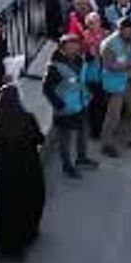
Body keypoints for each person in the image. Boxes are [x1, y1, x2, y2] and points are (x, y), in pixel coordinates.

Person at [0, 84, 46, 260]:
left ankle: (6, 245)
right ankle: (26, 235)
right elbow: (40, 138)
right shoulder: (28, 118)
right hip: (28, 170)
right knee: (27, 203)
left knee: (4, 207)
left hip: (4, 172)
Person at [42, 34, 100, 178]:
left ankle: (81, 158)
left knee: (83, 132)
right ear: (62, 48)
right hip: (65, 109)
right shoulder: (54, 67)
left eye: (76, 46)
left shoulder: (80, 60)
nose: (73, 49)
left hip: (81, 105)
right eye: (69, 46)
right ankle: (67, 166)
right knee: (65, 139)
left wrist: (87, 94)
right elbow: (47, 89)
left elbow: (82, 76)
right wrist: (59, 106)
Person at [100, 17, 131, 157]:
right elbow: (109, 65)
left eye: (130, 31)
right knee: (114, 115)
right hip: (117, 84)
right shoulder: (108, 44)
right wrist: (130, 65)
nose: (128, 33)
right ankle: (106, 144)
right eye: (124, 30)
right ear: (118, 29)